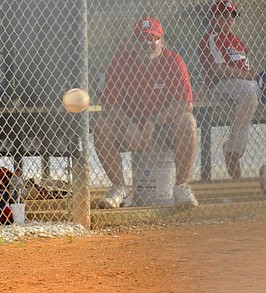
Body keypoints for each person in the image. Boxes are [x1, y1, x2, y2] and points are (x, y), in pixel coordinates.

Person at [96, 17, 199, 209]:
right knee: (102, 126)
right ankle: (121, 190)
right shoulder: (122, 62)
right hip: (130, 127)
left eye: (153, 38)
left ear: (162, 41)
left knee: (188, 122)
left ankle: (180, 186)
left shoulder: (173, 61)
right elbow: (109, 106)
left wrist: (153, 121)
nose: (147, 43)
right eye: (142, 39)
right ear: (133, 43)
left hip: (164, 126)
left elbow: (185, 103)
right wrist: (128, 124)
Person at [199, 0, 259, 180]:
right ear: (214, 18)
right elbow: (218, 69)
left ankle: (233, 150)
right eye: (224, 15)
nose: (229, 19)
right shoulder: (211, 38)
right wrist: (250, 77)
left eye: (232, 15)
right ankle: (233, 150)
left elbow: (247, 70)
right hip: (220, 85)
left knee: (250, 92)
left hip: (244, 85)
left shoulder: (238, 41)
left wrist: (254, 78)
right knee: (249, 92)